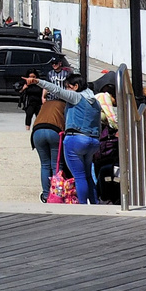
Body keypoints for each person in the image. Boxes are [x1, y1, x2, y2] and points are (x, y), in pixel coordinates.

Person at [32, 72, 100, 203]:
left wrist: (38, 82)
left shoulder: (76, 97)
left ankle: (82, 205)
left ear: (75, 86)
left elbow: (56, 90)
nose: (66, 90)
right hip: (93, 140)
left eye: (68, 87)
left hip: (76, 139)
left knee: (79, 176)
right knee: (88, 176)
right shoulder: (95, 102)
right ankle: (95, 202)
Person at [23, 72, 67, 201]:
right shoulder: (64, 105)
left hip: (37, 132)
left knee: (44, 165)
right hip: (54, 131)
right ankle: (57, 193)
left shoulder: (46, 104)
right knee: (56, 164)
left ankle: (46, 194)